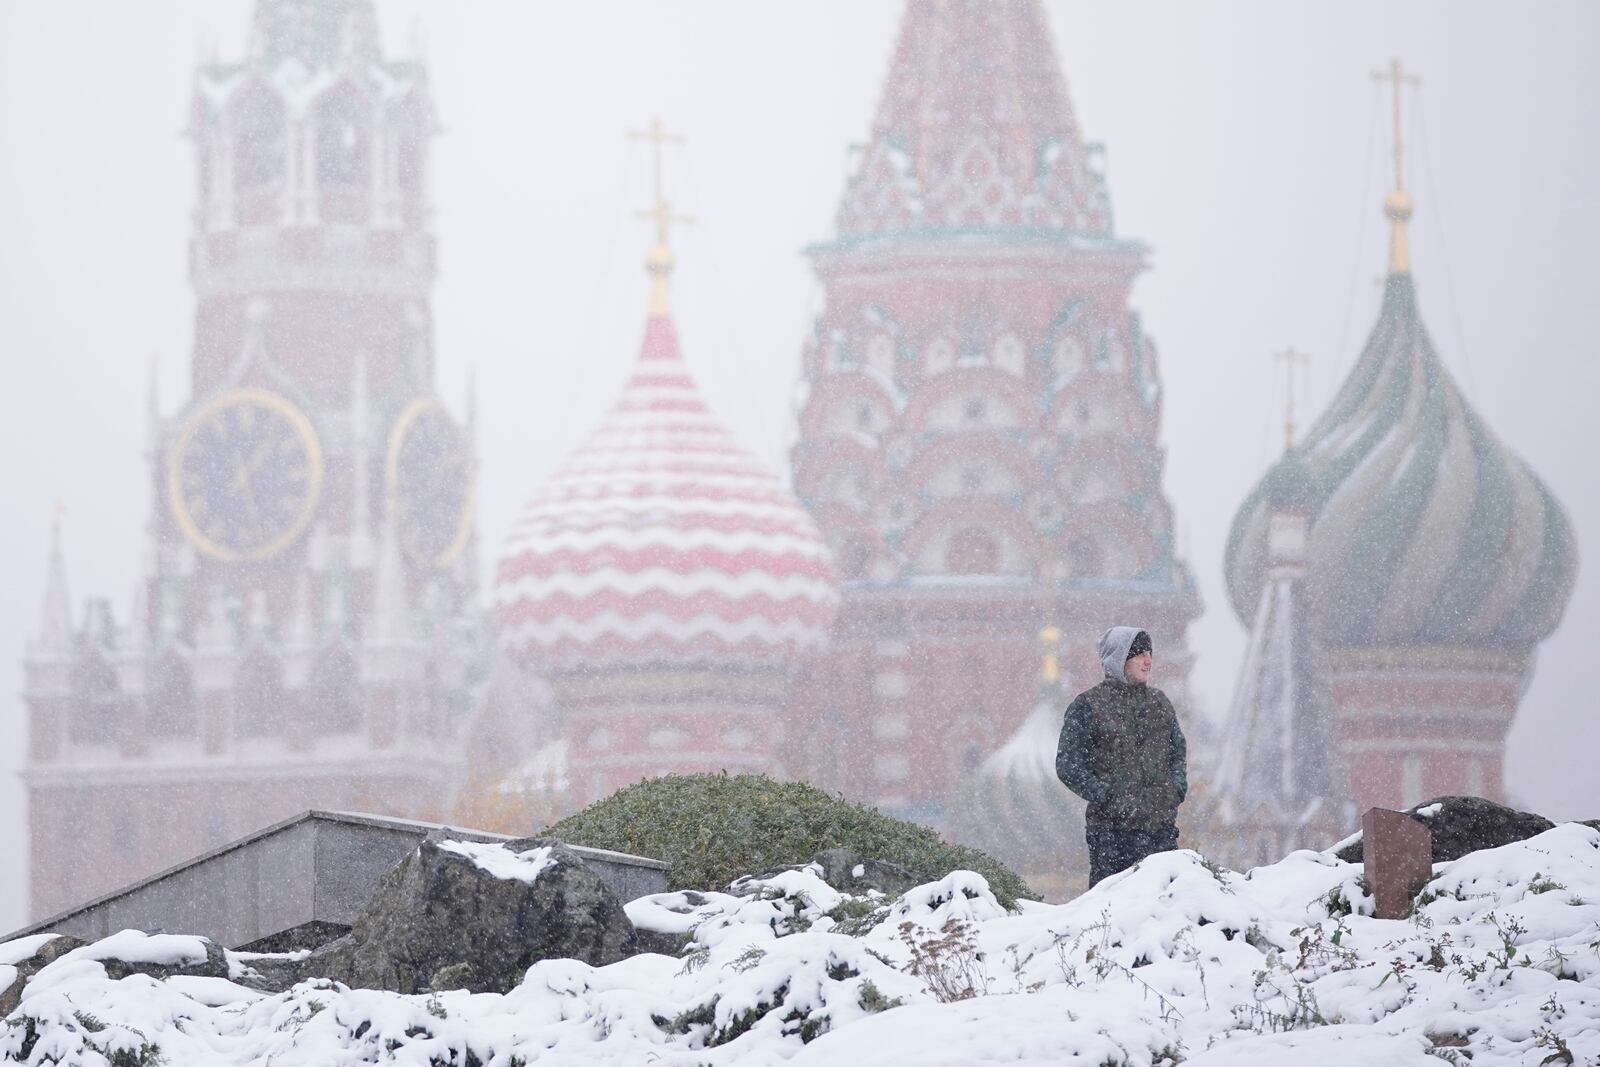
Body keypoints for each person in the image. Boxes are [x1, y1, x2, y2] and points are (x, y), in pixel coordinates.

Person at [1055, 626, 1187, 887]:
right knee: (1112, 912)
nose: (1148, 660)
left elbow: (1177, 751)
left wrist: (1175, 790)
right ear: (1119, 659)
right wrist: (1106, 795)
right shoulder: (1088, 706)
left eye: (1149, 653)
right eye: (1139, 654)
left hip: (1160, 830)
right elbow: (1068, 764)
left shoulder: (1159, 703)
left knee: (1162, 911)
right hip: (1111, 834)